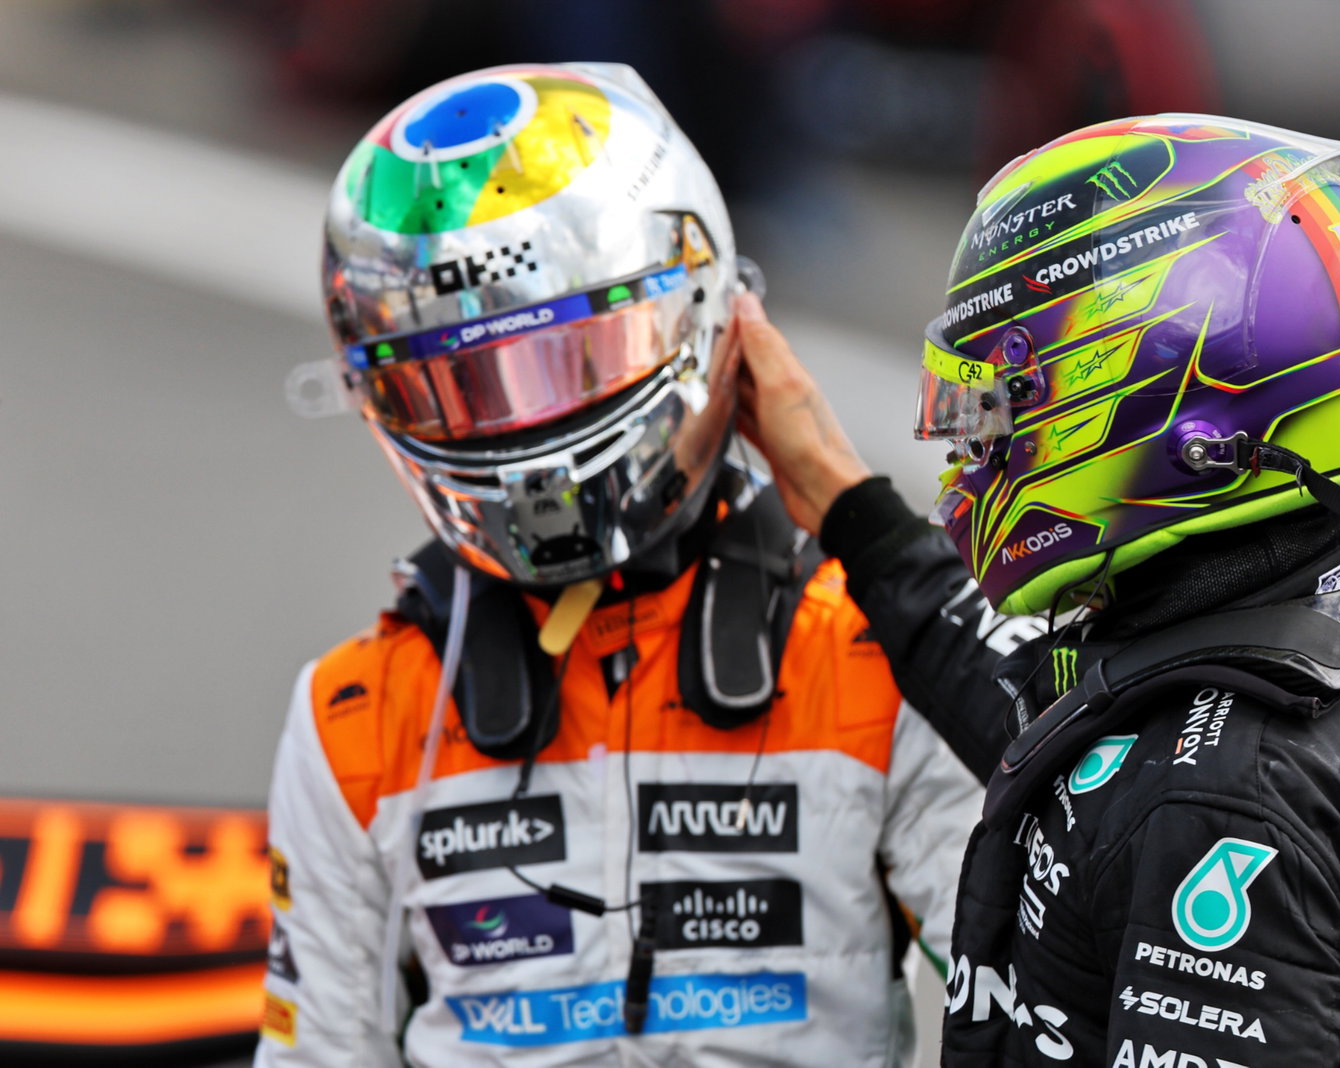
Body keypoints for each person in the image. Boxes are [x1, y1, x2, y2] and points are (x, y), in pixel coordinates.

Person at [256, 62, 992, 1066]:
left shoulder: (875, 654)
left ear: (710, 318)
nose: (526, 430)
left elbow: (1051, 977)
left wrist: (857, 510)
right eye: (469, 385)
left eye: (564, 362)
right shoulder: (361, 714)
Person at [737, 115, 1340, 1065]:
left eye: (1006, 404)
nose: (970, 454)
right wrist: (841, 498)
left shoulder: (1215, 802)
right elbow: (1075, 733)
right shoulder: (1301, 631)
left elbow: (1150, 782)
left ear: (1174, 406)